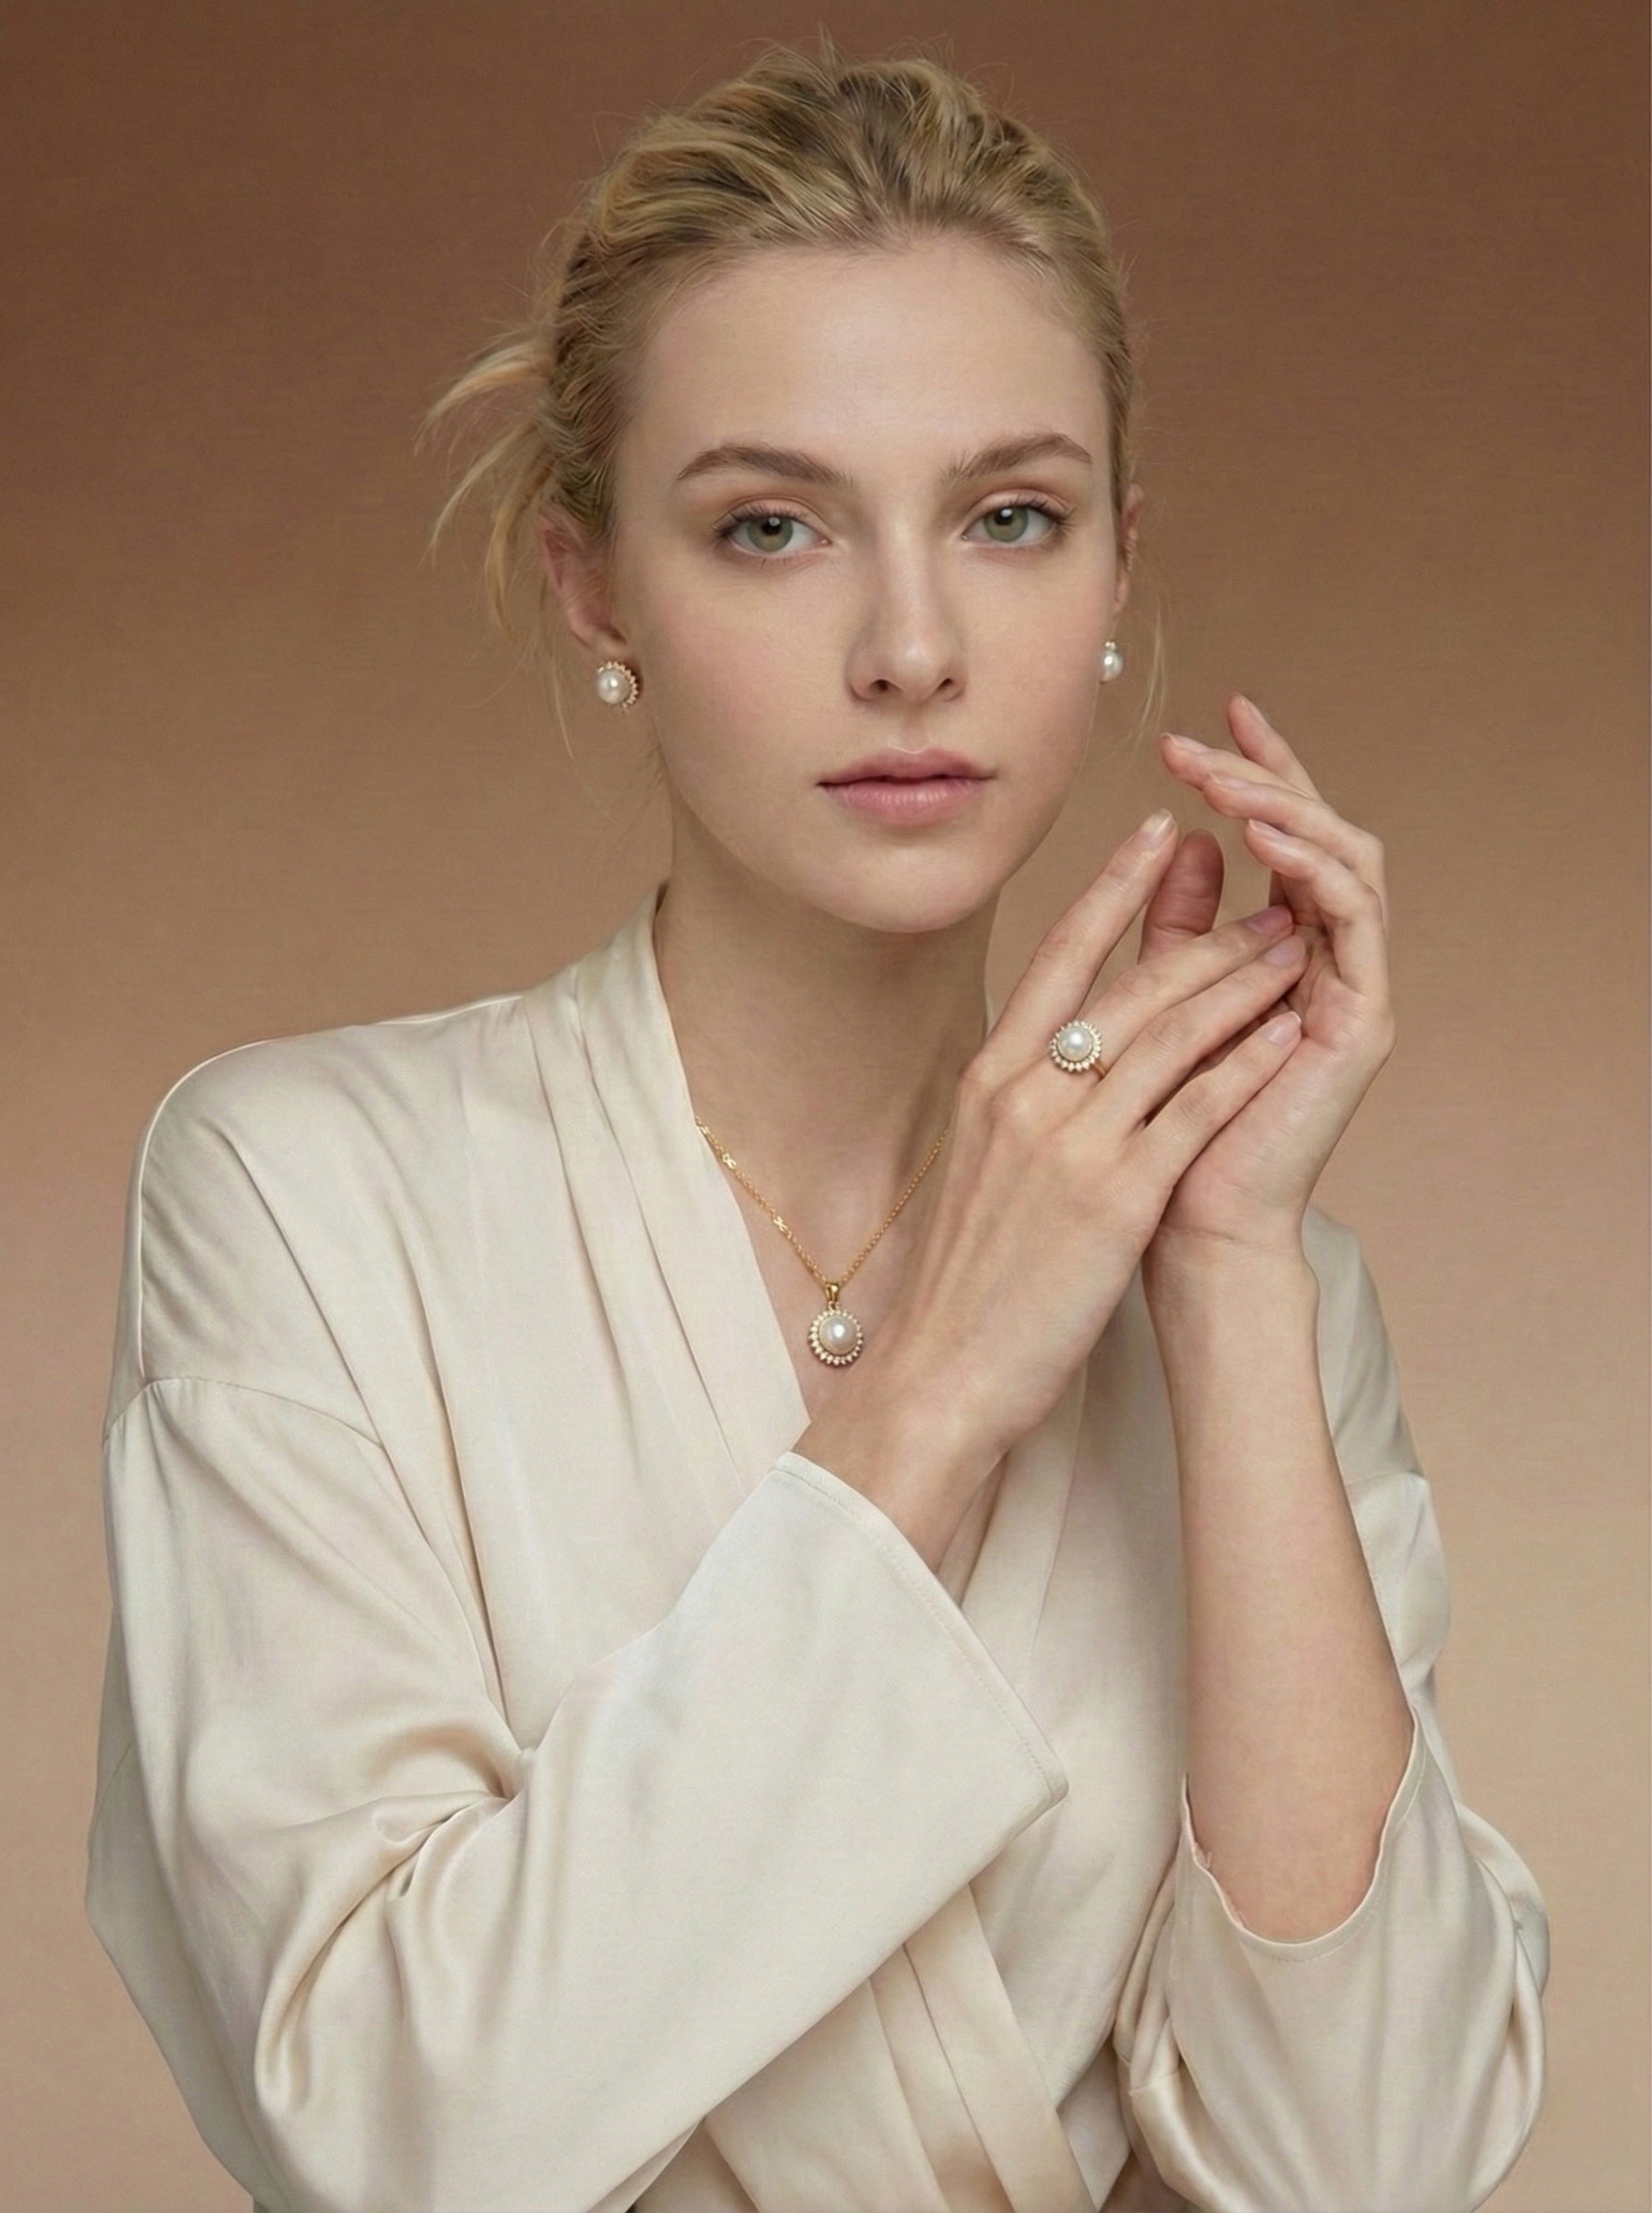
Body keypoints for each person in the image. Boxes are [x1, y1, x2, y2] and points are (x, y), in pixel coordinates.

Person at [85, 32, 1550, 2213]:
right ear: (594, 582)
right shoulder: (303, 1196)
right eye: (768, 527)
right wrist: (936, 1393)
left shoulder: (1256, 1298)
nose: (909, 645)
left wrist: (1231, 1278)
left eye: (1007, 518)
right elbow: (396, 2131)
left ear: (1112, 574)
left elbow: (1369, 2163)